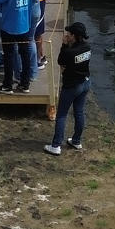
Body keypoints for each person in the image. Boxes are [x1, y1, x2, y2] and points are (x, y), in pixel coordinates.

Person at [44, 21, 93, 156]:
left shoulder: (70, 52)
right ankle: (76, 140)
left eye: (69, 34)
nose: (67, 35)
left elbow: (60, 60)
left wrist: (64, 45)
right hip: (85, 83)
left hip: (71, 86)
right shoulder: (88, 47)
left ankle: (56, 145)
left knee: (61, 115)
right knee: (79, 112)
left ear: (74, 36)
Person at [0, 0, 39, 93]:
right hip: (24, 24)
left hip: (8, 25)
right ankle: (25, 83)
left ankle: (8, 84)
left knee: (9, 55)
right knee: (24, 54)